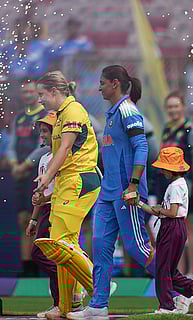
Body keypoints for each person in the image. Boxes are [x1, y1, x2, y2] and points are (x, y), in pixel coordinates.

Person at [67, 65, 155, 320]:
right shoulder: (112, 113)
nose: (99, 87)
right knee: (100, 246)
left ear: (115, 84)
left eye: (103, 83)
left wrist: (134, 184)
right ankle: (98, 304)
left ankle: (185, 288)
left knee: (137, 248)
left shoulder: (128, 110)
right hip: (107, 194)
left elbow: (142, 147)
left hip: (127, 192)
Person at [33, 71, 100, 318]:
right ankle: (66, 307)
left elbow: (65, 148)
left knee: (62, 244)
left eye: (42, 94)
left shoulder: (73, 111)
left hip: (80, 179)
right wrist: (51, 178)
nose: (40, 99)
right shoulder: (62, 115)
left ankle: (100, 292)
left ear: (54, 91)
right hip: (67, 182)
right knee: (60, 246)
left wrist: (46, 176)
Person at [137, 147, 193, 315]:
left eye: (163, 167)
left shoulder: (175, 186)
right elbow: (162, 210)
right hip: (173, 226)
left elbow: (171, 212)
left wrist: (160, 209)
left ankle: (167, 306)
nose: (161, 171)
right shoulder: (177, 184)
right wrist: (140, 204)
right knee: (167, 270)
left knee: (163, 269)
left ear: (171, 169)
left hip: (172, 226)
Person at [26, 112, 78, 318]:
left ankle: (69, 295)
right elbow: (41, 192)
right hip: (48, 211)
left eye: (46, 131)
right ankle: (61, 303)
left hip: (61, 211)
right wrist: (33, 218)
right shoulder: (44, 159)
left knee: (43, 255)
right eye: (41, 131)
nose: (42, 135)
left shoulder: (65, 157)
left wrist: (44, 200)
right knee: (51, 258)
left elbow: (65, 191)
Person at [155, 91, 193, 275]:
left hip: (185, 186)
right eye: (169, 106)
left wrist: (188, 184)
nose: (173, 110)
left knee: (188, 227)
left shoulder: (190, 129)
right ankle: (179, 271)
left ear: (182, 107)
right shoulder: (167, 128)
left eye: (176, 106)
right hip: (167, 185)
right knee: (173, 229)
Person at [6, 78, 48, 277]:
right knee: (23, 219)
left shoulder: (44, 115)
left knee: (38, 220)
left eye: (31, 92)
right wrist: (14, 163)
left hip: (36, 173)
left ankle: (41, 264)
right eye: (25, 92)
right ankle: (27, 266)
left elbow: (43, 145)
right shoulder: (19, 118)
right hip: (20, 175)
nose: (28, 95)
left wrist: (25, 165)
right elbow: (12, 145)